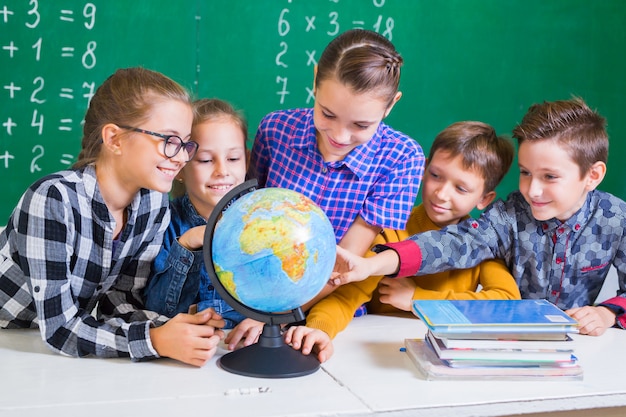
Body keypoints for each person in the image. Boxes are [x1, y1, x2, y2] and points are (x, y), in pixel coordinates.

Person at [330, 97, 626, 338]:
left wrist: (606, 312)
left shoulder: (617, 218)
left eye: (549, 176)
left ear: (593, 175)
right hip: (507, 337)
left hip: (581, 345)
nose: (532, 190)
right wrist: (374, 264)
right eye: (525, 173)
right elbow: (453, 243)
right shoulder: (508, 216)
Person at [0, 67, 225, 367]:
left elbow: (119, 300)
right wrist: (156, 340)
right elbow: (59, 329)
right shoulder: (53, 200)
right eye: (170, 141)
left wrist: (175, 328)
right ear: (115, 139)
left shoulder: (153, 203)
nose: (183, 156)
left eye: (185, 143)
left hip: (35, 345)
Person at [285, 121, 520, 361]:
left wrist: (418, 300)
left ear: (484, 199)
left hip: (442, 355)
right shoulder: (391, 229)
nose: (441, 193)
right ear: (423, 169)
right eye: (436, 176)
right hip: (379, 353)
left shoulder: (481, 242)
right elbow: (347, 296)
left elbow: (507, 304)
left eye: (461, 188)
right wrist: (320, 328)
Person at [248, 28, 425, 266]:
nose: (340, 137)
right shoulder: (274, 130)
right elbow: (244, 214)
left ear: (391, 104)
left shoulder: (402, 158)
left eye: (361, 125)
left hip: (331, 293)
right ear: (315, 79)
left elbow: (345, 261)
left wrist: (281, 306)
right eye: (327, 114)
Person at [144, 98, 264, 349]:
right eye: (206, 160)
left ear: (247, 161)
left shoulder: (263, 221)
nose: (222, 170)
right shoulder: (163, 222)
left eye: (233, 159)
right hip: (183, 352)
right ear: (180, 168)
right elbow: (157, 311)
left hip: (246, 346)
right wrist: (187, 245)